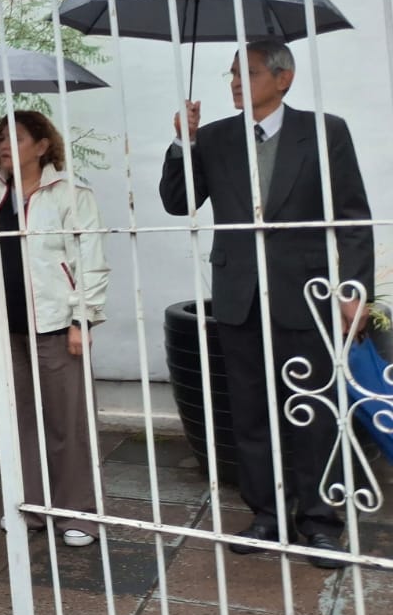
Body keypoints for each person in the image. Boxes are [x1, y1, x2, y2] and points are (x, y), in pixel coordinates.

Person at [159, 39, 374, 567]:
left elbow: (352, 216)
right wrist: (183, 146)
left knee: (313, 415)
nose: (235, 82)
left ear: (284, 78)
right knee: (251, 415)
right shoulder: (213, 138)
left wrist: (353, 290)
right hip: (239, 300)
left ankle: (320, 522)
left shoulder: (325, 132)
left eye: (248, 73)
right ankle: (267, 516)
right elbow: (177, 201)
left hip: (306, 296)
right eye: (231, 73)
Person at [0, 111, 108, 548]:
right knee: (19, 421)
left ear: (42, 145)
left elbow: (89, 258)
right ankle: (31, 507)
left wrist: (83, 318)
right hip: (5, 327)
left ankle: (78, 513)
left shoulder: (70, 194)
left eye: (16, 137)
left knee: (67, 421)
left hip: (57, 324)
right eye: (1, 137)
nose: (4, 144)